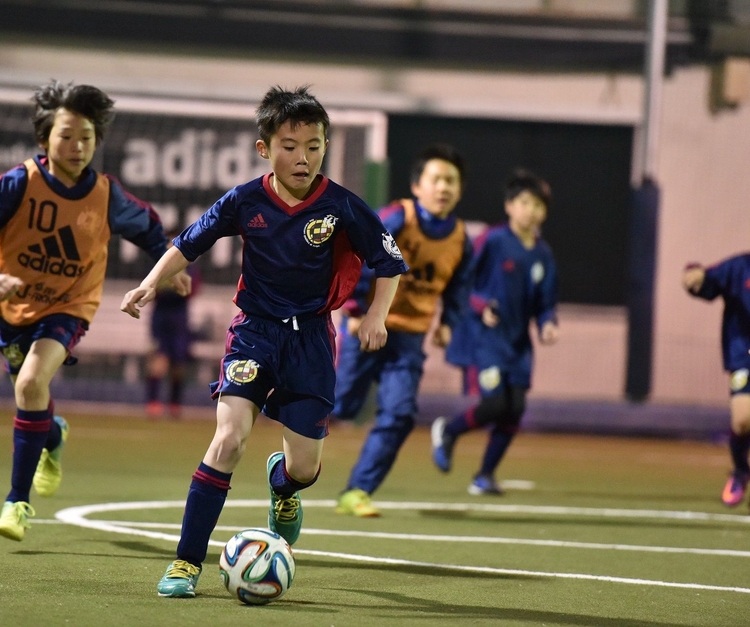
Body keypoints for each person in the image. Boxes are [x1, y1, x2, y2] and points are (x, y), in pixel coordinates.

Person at [120, 85, 408, 598]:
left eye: (314, 146)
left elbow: (390, 264)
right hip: (253, 333)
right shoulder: (245, 200)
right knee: (228, 439)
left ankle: (284, 487)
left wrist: (376, 316)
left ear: (326, 146)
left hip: (312, 342)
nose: (303, 158)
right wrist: (149, 283)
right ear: (264, 148)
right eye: (290, 146)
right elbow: (188, 244)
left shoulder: (342, 205)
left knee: (304, 467)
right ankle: (186, 563)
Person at [0, 80, 190, 541]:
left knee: (30, 383)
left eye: (86, 137)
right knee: (30, 395)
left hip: (69, 305)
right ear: (44, 139)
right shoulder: (18, 183)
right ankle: (53, 435)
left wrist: (168, 263)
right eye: (66, 136)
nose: (77, 146)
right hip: (13, 304)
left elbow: (148, 227)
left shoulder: (105, 195)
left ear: (97, 141)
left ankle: (16, 503)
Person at [333, 144, 473, 518]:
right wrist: (353, 309)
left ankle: (357, 491)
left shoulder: (461, 238)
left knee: (399, 414)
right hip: (367, 327)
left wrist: (448, 323)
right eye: (436, 179)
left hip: (409, 338)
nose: (443, 187)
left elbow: (460, 286)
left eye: (451, 181)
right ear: (417, 185)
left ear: (460, 190)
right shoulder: (397, 218)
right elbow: (357, 252)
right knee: (340, 405)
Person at [430, 169, 558, 496]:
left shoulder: (543, 255)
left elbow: (545, 302)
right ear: (509, 206)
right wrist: (480, 305)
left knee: (515, 409)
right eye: (524, 203)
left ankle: (484, 475)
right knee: (495, 404)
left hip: (518, 345)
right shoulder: (493, 239)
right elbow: (463, 278)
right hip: (486, 340)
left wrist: (548, 324)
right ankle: (449, 431)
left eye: (538, 205)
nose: (531, 211)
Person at [690, 205, 750, 516]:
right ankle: (741, 470)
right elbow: (706, 282)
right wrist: (693, 275)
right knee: (742, 419)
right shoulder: (740, 267)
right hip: (743, 357)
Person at [146, 262, 200, 418]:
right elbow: (150, 287)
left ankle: (174, 404)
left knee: (178, 364)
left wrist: (180, 289)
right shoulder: (159, 263)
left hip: (180, 320)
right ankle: (153, 403)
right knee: (159, 360)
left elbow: (194, 288)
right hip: (160, 319)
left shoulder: (188, 265)